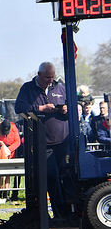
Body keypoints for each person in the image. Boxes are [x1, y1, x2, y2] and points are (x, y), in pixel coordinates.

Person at [15, 62, 70, 218]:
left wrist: (66, 109)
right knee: (51, 176)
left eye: (52, 77)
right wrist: (40, 109)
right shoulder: (27, 88)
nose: (50, 81)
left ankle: (68, 213)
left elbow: (72, 107)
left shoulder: (60, 87)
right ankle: (56, 214)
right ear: (39, 75)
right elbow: (19, 107)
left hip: (63, 142)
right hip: (43, 144)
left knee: (65, 176)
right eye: (47, 77)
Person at [0, 119, 21, 198]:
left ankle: (7, 193)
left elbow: (17, 141)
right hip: (1, 154)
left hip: (11, 154)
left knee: (8, 174)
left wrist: (8, 150)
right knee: (1, 174)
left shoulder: (13, 128)